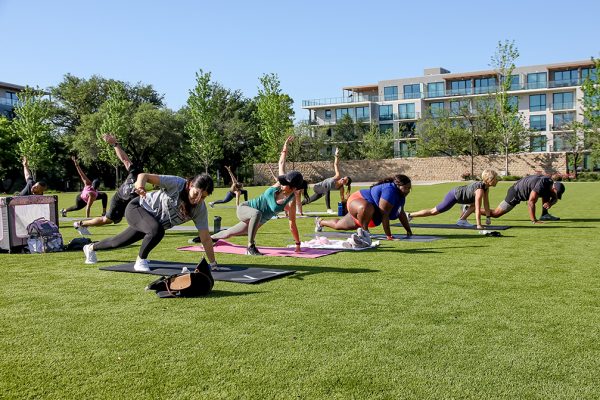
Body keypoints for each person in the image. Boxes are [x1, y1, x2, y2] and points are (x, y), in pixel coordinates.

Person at [82, 173, 218, 272]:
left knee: (117, 242)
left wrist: (213, 264)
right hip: (138, 208)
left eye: (203, 197)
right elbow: (143, 175)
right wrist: (140, 186)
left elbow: (205, 238)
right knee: (157, 230)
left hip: (151, 223)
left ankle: (90, 248)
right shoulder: (177, 184)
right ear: (190, 185)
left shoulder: (200, 210)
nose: (198, 200)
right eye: (196, 194)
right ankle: (141, 260)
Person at [211, 136, 308, 255]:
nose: (282, 184)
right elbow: (281, 163)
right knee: (257, 213)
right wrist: (285, 146)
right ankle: (251, 246)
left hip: (257, 221)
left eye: (285, 184)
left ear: (293, 187)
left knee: (229, 233)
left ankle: (208, 238)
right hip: (245, 208)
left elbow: (292, 224)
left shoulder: (291, 201)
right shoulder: (279, 184)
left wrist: (298, 244)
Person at [73, 134, 142, 235]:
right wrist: (115, 144)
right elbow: (124, 159)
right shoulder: (135, 173)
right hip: (119, 200)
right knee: (106, 220)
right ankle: (80, 224)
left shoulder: (144, 180)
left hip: (128, 201)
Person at [316, 174, 413, 240]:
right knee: (367, 207)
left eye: (409, 188)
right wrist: (389, 236)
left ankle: (320, 222)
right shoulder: (390, 190)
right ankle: (365, 232)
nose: (408, 191)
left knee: (339, 225)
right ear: (398, 185)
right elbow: (385, 215)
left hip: (367, 214)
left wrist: (409, 231)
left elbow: (401, 213)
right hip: (358, 201)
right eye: (406, 188)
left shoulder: (401, 197)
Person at [407, 169, 499, 230]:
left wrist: (488, 217)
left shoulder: (485, 187)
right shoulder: (480, 190)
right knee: (433, 212)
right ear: (488, 180)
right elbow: (479, 209)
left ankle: (462, 220)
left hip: (463, 195)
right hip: (454, 195)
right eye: (495, 178)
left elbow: (486, 203)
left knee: (473, 205)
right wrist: (479, 225)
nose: (497, 180)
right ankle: (409, 215)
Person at [487, 174, 565, 224]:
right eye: (556, 193)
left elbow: (555, 198)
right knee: (496, 213)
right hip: (516, 192)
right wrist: (534, 220)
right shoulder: (541, 184)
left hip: (526, 189)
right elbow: (531, 202)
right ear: (554, 187)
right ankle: (475, 209)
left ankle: (545, 215)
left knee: (547, 193)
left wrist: (550, 203)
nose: (556, 195)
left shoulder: (550, 183)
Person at [301, 147, 352, 214]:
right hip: (317, 187)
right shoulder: (337, 176)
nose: (343, 179)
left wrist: (347, 199)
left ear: (345, 184)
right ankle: (328, 209)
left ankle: (298, 205)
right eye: (344, 178)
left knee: (309, 200)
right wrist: (336, 155)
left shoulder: (341, 188)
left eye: (345, 181)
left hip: (322, 191)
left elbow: (342, 199)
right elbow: (335, 164)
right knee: (327, 190)